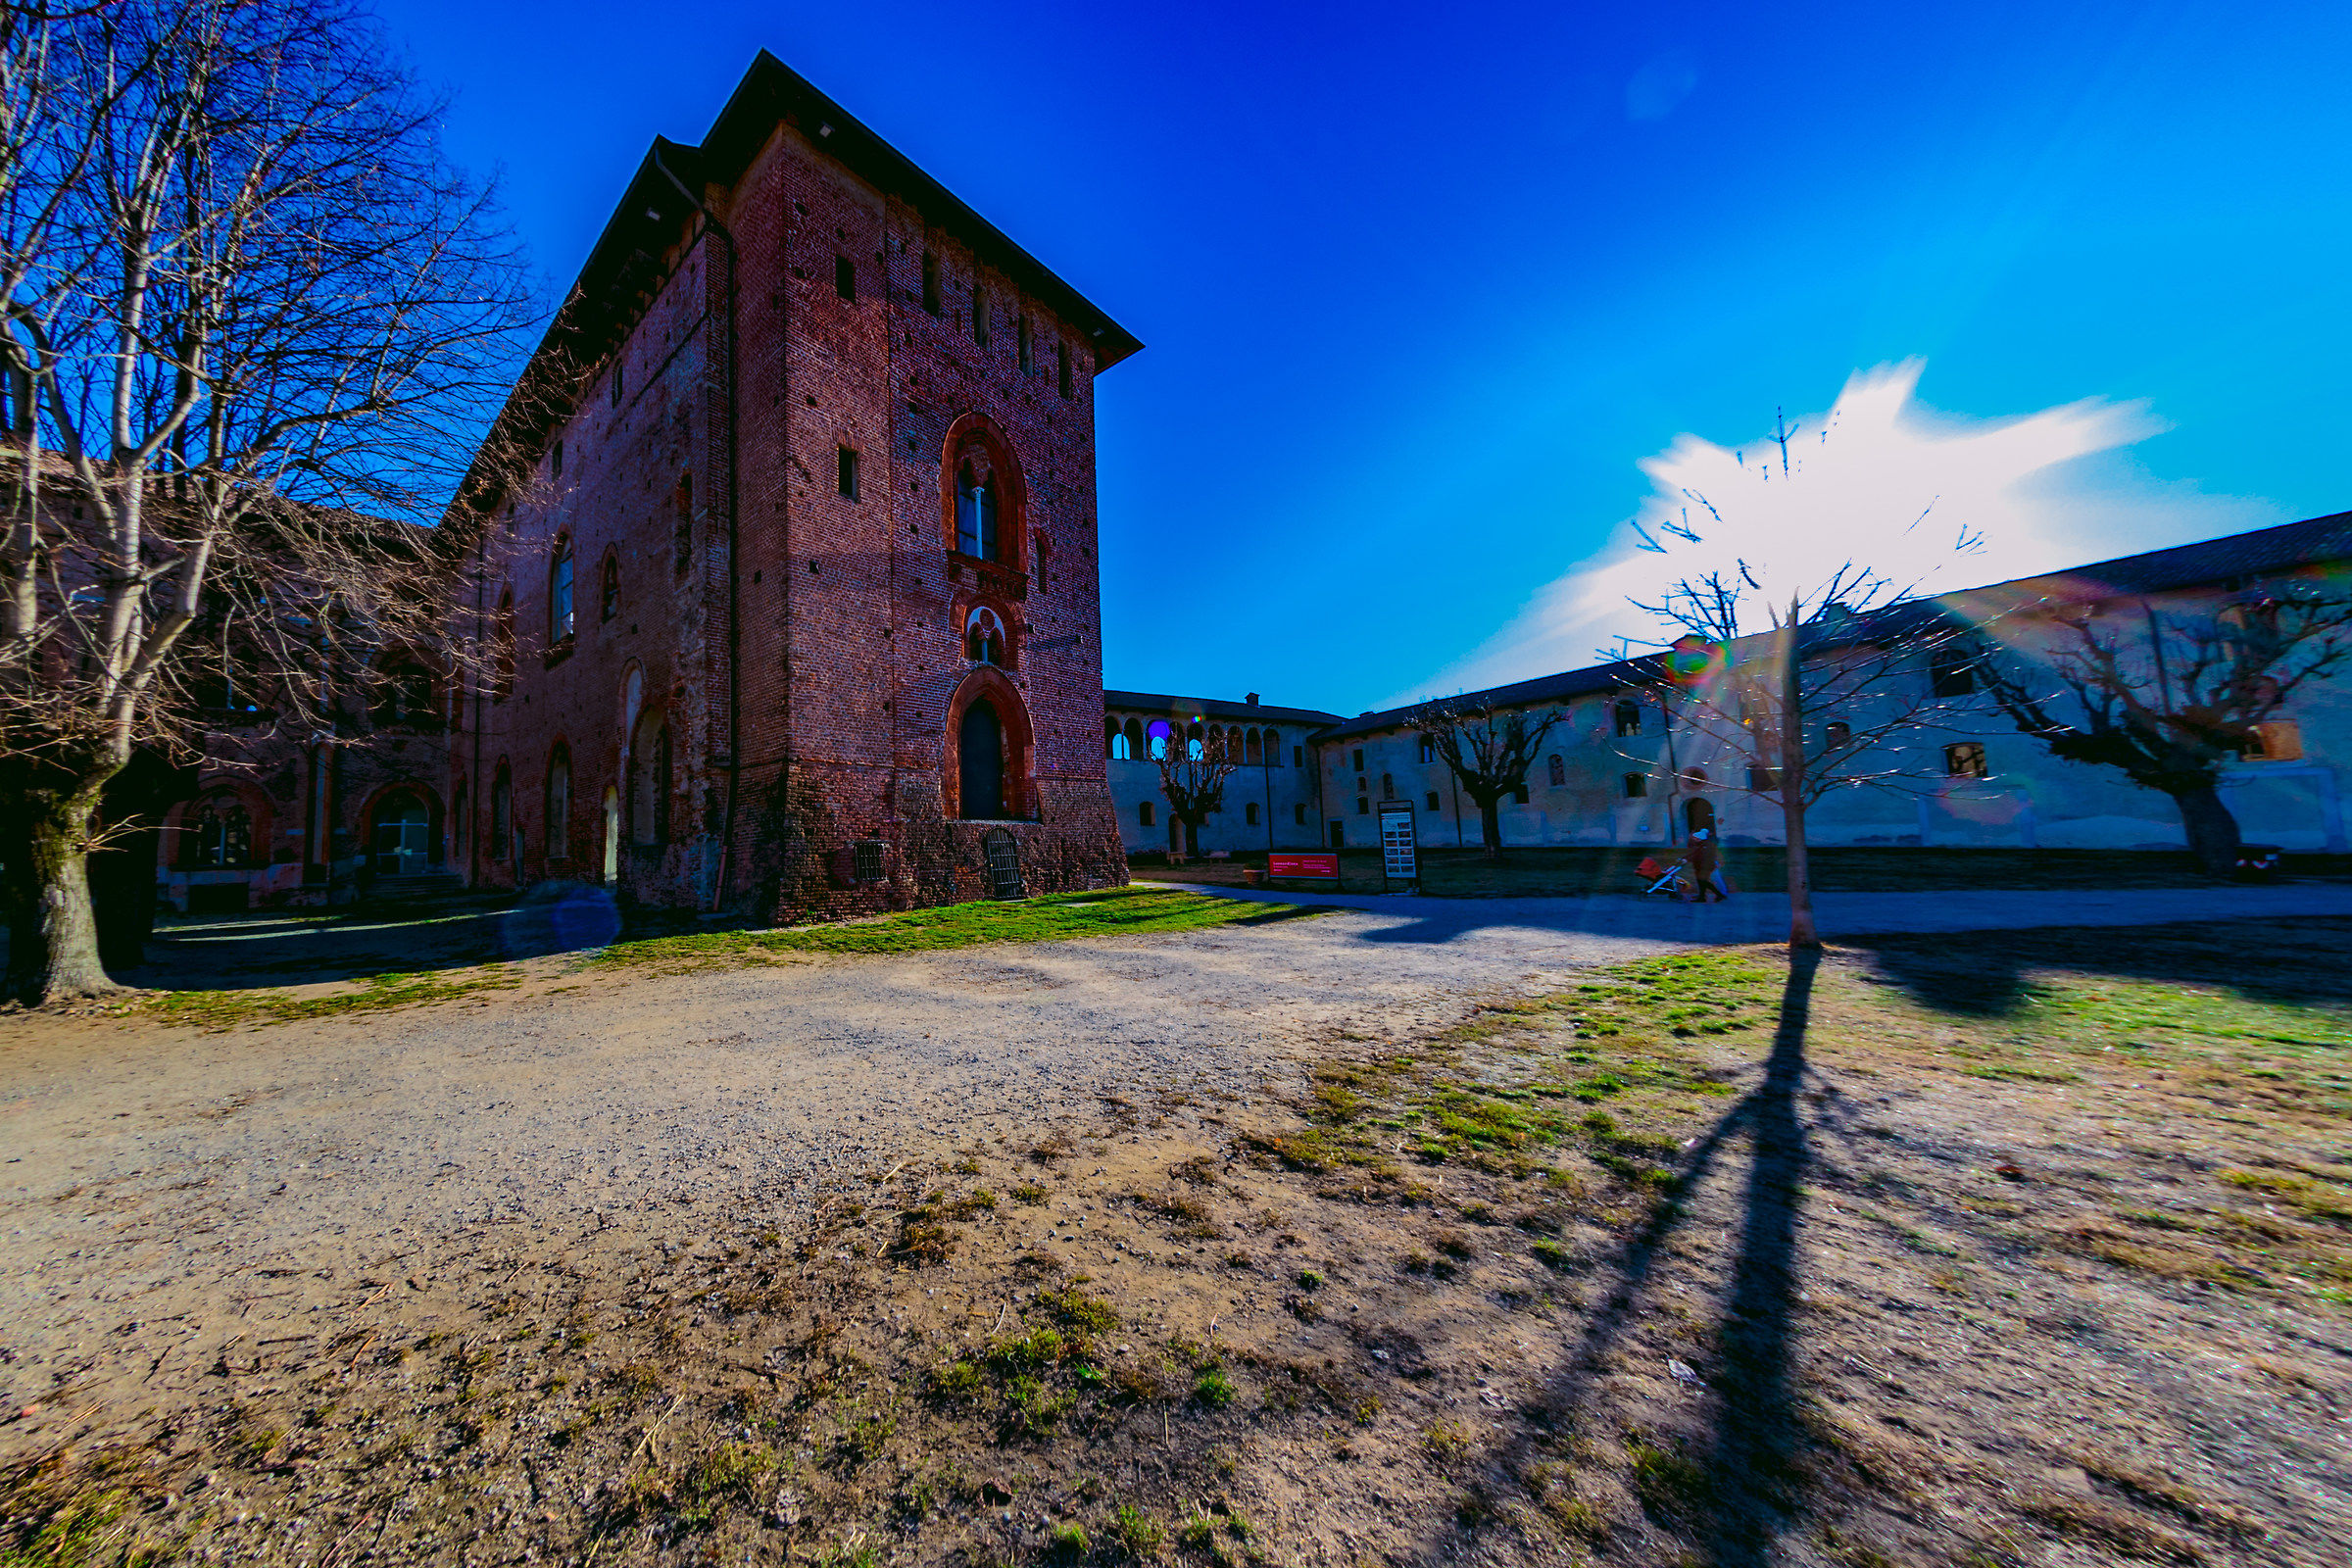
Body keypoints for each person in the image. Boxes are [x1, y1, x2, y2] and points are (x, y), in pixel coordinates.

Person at [1686, 827, 1731, 903]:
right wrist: (1686, 858)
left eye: (1695, 838)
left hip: (1706, 867)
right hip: (1703, 866)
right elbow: (1694, 853)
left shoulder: (1706, 845)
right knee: (1702, 881)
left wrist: (1687, 859)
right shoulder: (1701, 844)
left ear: (1699, 838)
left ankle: (1719, 894)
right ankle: (1702, 897)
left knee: (1705, 881)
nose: (1694, 839)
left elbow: (1699, 856)